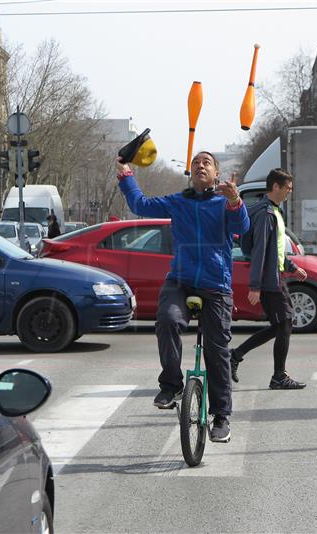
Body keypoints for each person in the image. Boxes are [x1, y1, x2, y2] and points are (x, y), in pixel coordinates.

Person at [115, 151, 249, 443]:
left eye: (207, 163)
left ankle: (222, 416)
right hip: (181, 280)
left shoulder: (224, 203)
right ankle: (172, 384)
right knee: (166, 320)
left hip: (215, 286)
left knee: (217, 352)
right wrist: (126, 175)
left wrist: (235, 201)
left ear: (216, 174)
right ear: (191, 173)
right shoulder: (179, 201)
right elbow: (140, 205)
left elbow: (242, 228)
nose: (200, 165)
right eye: (195, 163)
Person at [229, 168, 308, 390]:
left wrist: (292, 267)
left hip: (276, 276)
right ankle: (277, 376)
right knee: (285, 323)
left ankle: (236, 355)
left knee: (281, 325)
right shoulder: (266, 214)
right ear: (275, 186)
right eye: (287, 188)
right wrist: (255, 286)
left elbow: (278, 250)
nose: (289, 192)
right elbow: (260, 251)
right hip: (269, 280)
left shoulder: (273, 211)